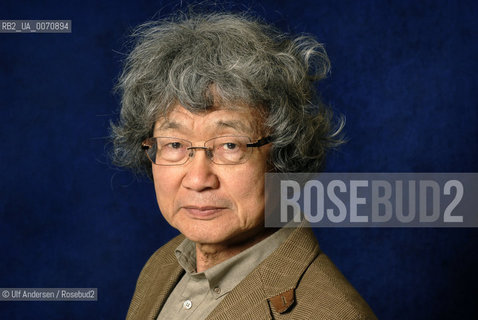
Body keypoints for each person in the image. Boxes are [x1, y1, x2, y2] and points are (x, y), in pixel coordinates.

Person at [111, 11, 377, 320]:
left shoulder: (331, 315)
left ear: (283, 155)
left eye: (229, 146)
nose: (198, 179)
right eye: (175, 145)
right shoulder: (161, 266)